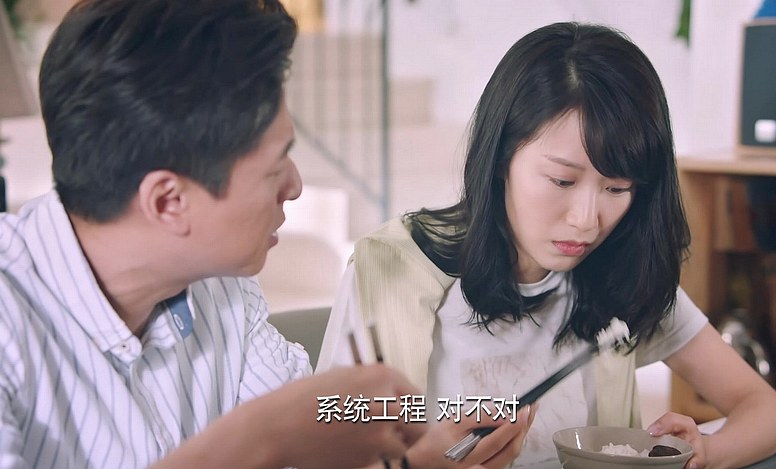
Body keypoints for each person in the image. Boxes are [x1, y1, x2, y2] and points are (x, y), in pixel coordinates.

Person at [0, 0, 533, 468]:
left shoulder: (222, 288)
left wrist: (419, 455)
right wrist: (262, 436)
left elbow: (315, 434)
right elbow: (284, 431)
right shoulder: (11, 320)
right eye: (276, 166)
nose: (295, 186)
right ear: (168, 201)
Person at [317, 22, 776, 469]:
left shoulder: (620, 271)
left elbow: (767, 411)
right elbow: (328, 446)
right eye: (562, 180)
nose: (587, 221)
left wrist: (703, 453)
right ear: (501, 157)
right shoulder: (396, 269)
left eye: (617, 188)